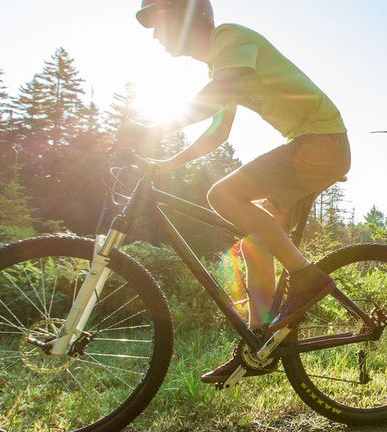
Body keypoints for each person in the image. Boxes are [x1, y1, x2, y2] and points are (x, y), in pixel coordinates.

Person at [122, 0, 350, 384]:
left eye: (160, 23)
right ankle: (259, 342)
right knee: (255, 245)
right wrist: (167, 165)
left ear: (185, 17)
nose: (157, 36)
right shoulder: (219, 64)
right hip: (311, 144)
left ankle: (307, 277)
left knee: (222, 195)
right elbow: (218, 133)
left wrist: (155, 125)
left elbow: (217, 92)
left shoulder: (231, 39)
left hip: (321, 143)